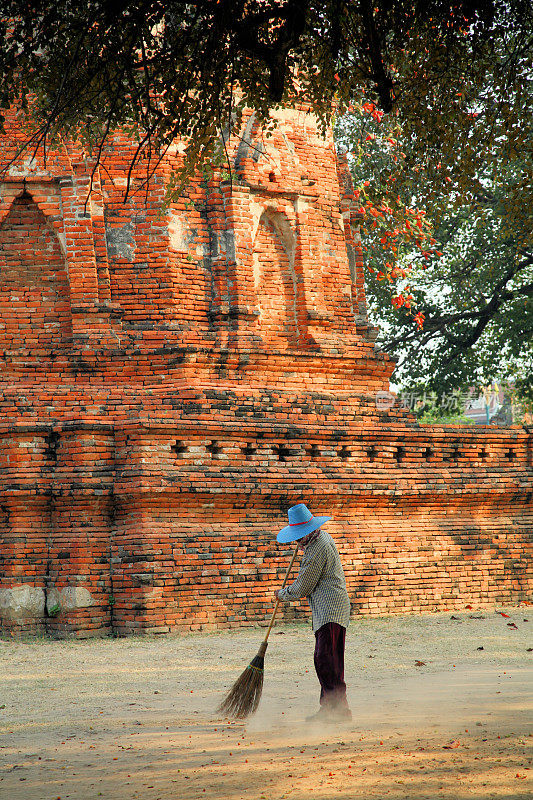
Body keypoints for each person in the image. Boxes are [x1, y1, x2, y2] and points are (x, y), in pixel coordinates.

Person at [275, 502, 352, 722]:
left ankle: (338, 711)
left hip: (331, 610)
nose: (298, 543)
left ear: (308, 533)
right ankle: (330, 709)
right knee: (329, 660)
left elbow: (303, 586)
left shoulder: (317, 549)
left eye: (299, 538)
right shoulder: (319, 539)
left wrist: (283, 594)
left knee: (325, 659)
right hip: (331, 609)